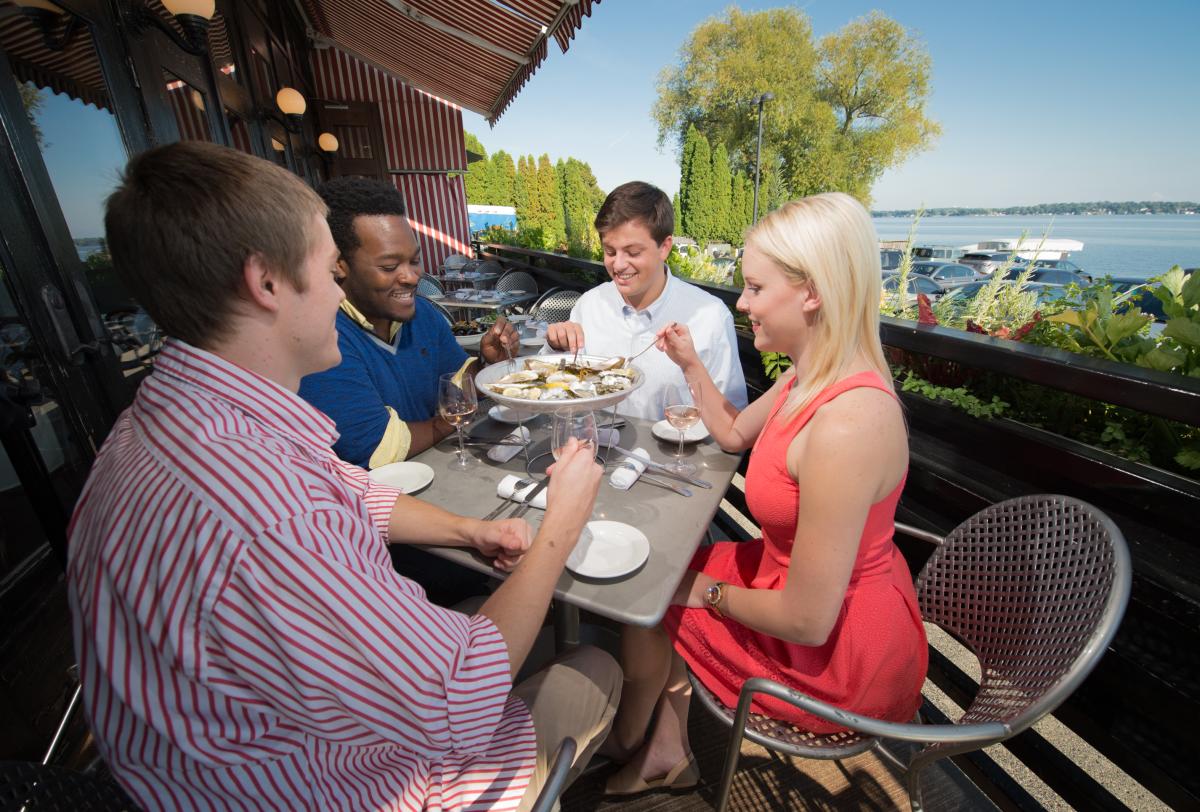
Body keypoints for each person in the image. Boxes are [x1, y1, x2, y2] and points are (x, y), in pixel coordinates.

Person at [68, 142, 620, 811]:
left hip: (179, 770)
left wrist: (467, 528)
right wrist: (562, 522)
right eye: (330, 271)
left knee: (479, 608)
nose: (339, 292)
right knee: (593, 666)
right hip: (320, 791)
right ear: (266, 282)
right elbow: (460, 698)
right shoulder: (270, 515)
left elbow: (344, 485)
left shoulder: (160, 421)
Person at [599, 193, 928, 795]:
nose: (742, 303)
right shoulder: (810, 375)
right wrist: (691, 364)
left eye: (753, 287)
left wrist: (704, 591)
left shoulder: (846, 423)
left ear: (812, 292)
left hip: (840, 653)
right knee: (663, 576)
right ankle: (664, 749)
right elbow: (729, 434)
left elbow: (807, 619)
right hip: (797, 586)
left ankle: (629, 741)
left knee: (655, 591)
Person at [298, 176, 519, 469]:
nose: (412, 277)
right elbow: (378, 449)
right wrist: (451, 420)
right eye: (389, 267)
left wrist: (484, 365)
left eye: (414, 260)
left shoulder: (424, 314)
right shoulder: (323, 339)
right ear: (339, 264)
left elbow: (453, 385)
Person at [544, 181, 747, 420]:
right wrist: (556, 347)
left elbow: (734, 417)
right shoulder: (589, 305)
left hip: (676, 456)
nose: (618, 265)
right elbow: (556, 389)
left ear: (665, 247)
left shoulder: (709, 315)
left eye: (633, 253)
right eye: (610, 252)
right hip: (594, 453)